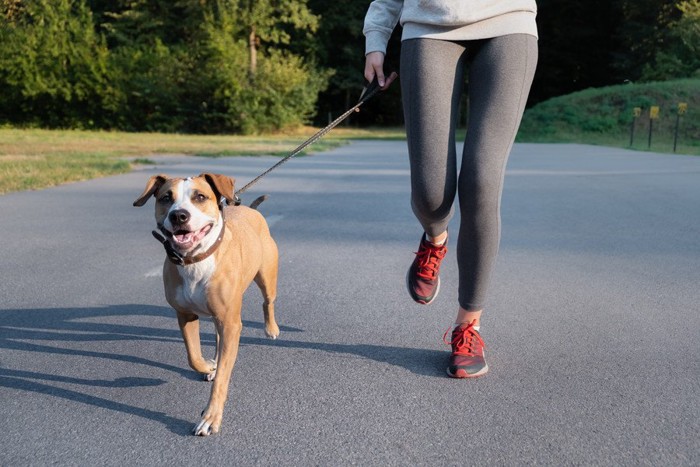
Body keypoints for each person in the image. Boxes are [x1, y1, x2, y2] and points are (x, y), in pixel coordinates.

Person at [363, 1, 538, 378]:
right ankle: (435, 238)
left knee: (481, 181)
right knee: (431, 194)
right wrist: (376, 38)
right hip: (429, 26)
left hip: (510, 23)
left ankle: (467, 327)